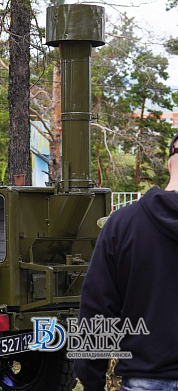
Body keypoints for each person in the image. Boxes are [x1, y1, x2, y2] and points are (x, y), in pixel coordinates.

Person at [75, 133, 178, 391]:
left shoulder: (124, 224)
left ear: (169, 162)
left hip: (144, 379)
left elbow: (96, 309)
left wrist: (91, 381)